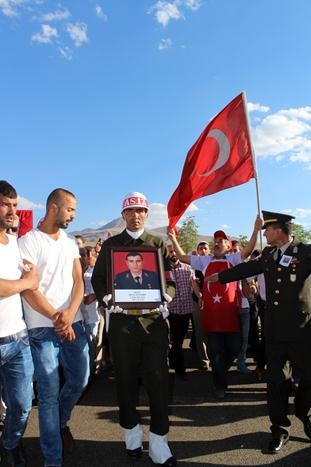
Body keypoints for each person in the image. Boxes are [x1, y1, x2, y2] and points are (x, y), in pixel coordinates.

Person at [206, 210, 311, 453]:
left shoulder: (305, 252)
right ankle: (280, 429)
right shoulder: (267, 254)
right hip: (274, 332)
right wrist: (220, 277)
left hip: (302, 330)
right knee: (276, 383)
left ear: (280, 230)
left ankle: (304, 412)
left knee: (308, 378)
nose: (264, 233)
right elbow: (247, 268)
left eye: (268, 229)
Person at [92, 192, 177, 466]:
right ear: (123, 215)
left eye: (141, 211)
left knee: (158, 382)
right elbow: (99, 279)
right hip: (123, 323)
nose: (136, 215)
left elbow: (170, 279)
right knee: (126, 381)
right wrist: (108, 298)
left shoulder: (157, 242)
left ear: (146, 214)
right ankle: (131, 437)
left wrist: (168, 296)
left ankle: (159, 443)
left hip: (153, 323)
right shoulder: (112, 245)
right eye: (131, 211)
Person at [18, 188, 90, 467]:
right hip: (42, 328)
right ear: (53, 207)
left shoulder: (71, 243)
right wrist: (58, 318)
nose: (73, 214)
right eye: (70, 209)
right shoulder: (29, 242)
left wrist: (70, 314)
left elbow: (78, 281)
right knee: (48, 394)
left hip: (74, 323)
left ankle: (61, 422)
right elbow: (28, 290)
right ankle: (52, 459)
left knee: (80, 380)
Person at [168, 217, 262, 398]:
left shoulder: (234, 259)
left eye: (222, 241)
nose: (218, 243)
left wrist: (256, 230)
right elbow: (181, 257)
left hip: (231, 314)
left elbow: (248, 250)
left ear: (228, 246)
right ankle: (220, 384)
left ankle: (220, 369)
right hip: (211, 315)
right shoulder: (204, 261)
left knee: (234, 348)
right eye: (216, 241)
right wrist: (173, 238)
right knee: (216, 352)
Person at [0, 180, 38, 467]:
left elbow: (29, 283)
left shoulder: (14, 242)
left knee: (23, 404)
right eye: (5, 204)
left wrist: (30, 275)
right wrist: (26, 281)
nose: (12, 210)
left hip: (18, 340)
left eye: (14, 204)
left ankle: (10, 443)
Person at [167, 245, 200, 379]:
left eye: (174, 251)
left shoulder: (188, 268)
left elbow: (194, 285)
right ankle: (178, 367)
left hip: (185, 310)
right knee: (172, 341)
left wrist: (200, 297)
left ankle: (177, 365)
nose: (173, 254)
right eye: (170, 252)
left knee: (178, 341)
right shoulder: (164, 271)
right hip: (170, 311)